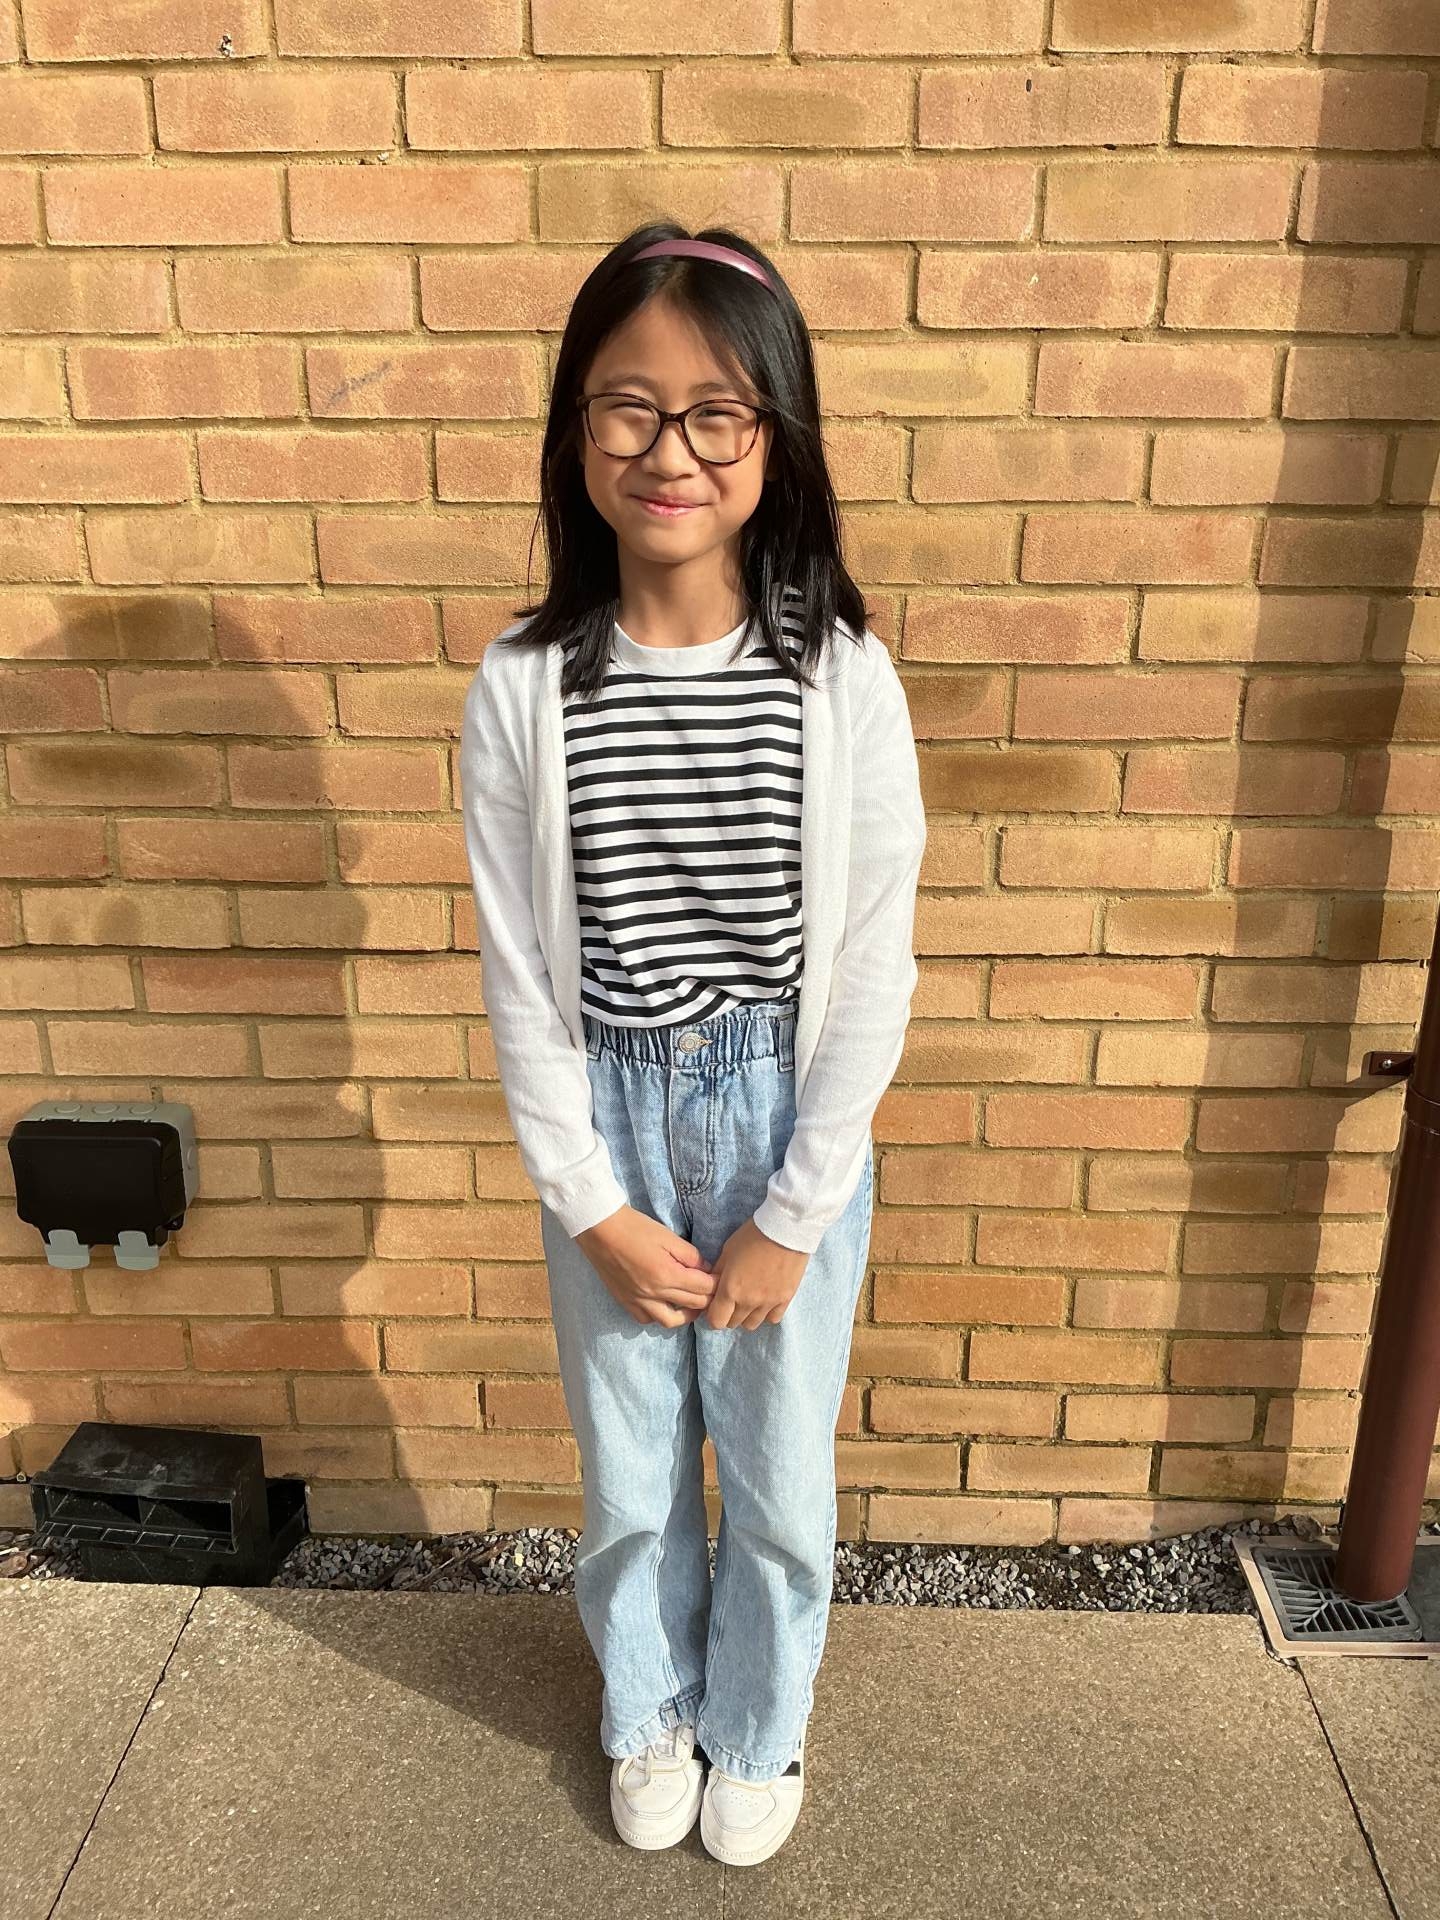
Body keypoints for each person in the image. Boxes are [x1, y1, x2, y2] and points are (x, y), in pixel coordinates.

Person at [459, 222, 926, 1867]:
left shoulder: (839, 678)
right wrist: (586, 1196)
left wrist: (798, 1209)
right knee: (632, 1464)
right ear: (575, 427)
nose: (671, 451)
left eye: (717, 412)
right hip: (610, 1109)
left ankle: (758, 1719)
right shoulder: (525, 685)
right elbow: (522, 971)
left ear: (775, 436)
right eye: (629, 405)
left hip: (782, 1108)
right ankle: (648, 1703)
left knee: (779, 1475)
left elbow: (872, 961)